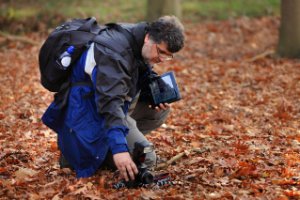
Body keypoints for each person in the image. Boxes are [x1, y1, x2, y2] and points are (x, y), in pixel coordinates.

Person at [42, 15, 185, 180]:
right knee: (147, 159)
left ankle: (109, 144)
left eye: (168, 55)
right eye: (161, 52)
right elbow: (110, 103)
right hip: (86, 114)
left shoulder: (137, 40)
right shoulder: (113, 52)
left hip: (105, 107)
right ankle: (81, 152)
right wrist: (120, 150)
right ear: (148, 38)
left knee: (159, 111)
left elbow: (138, 72)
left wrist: (153, 92)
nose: (161, 59)